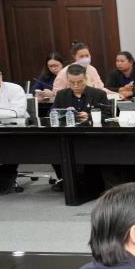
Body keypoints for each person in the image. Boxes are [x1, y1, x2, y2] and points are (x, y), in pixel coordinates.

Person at [50, 64, 111, 193]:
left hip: (93, 137)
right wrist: (64, 113)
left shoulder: (98, 94)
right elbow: (52, 113)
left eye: (79, 82)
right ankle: (68, 181)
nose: (76, 85)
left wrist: (89, 116)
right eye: (72, 82)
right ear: (67, 80)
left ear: (86, 79)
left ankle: (91, 182)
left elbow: (108, 115)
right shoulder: (61, 95)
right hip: (69, 136)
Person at [0, 62, 28, 193]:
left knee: (11, 145)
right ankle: (1, 174)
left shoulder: (14, 89)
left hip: (15, 130)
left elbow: (18, 112)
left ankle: (6, 174)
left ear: (1, 74)